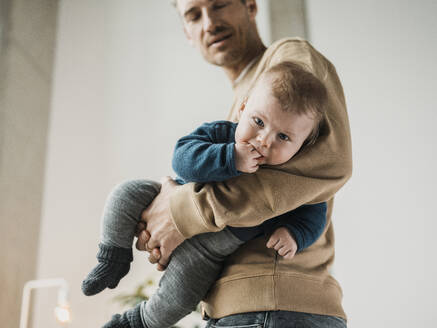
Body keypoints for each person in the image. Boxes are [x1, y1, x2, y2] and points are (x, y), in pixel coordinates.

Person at [136, 1, 352, 328]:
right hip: (242, 309)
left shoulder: (290, 60)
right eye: (194, 15)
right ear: (187, 33)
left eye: (219, 4)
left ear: (250, 5)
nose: (209, 22)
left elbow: (329, 164)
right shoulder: (239, 106)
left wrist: (182, 211)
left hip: (273, 308)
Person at [82, 61, 329, 328]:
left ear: (302, 146)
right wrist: (229, 156)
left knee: (181, 295)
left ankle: (137, 321)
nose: (264, 140)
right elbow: (182, 157)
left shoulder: (290, 175)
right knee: (125, 194)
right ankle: (113, 256)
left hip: (206, 251)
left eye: (283, 137)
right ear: (243, 107)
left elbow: (315, 208)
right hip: (169, 196)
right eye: (258, 122)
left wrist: (295, 234)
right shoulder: (222, 133)